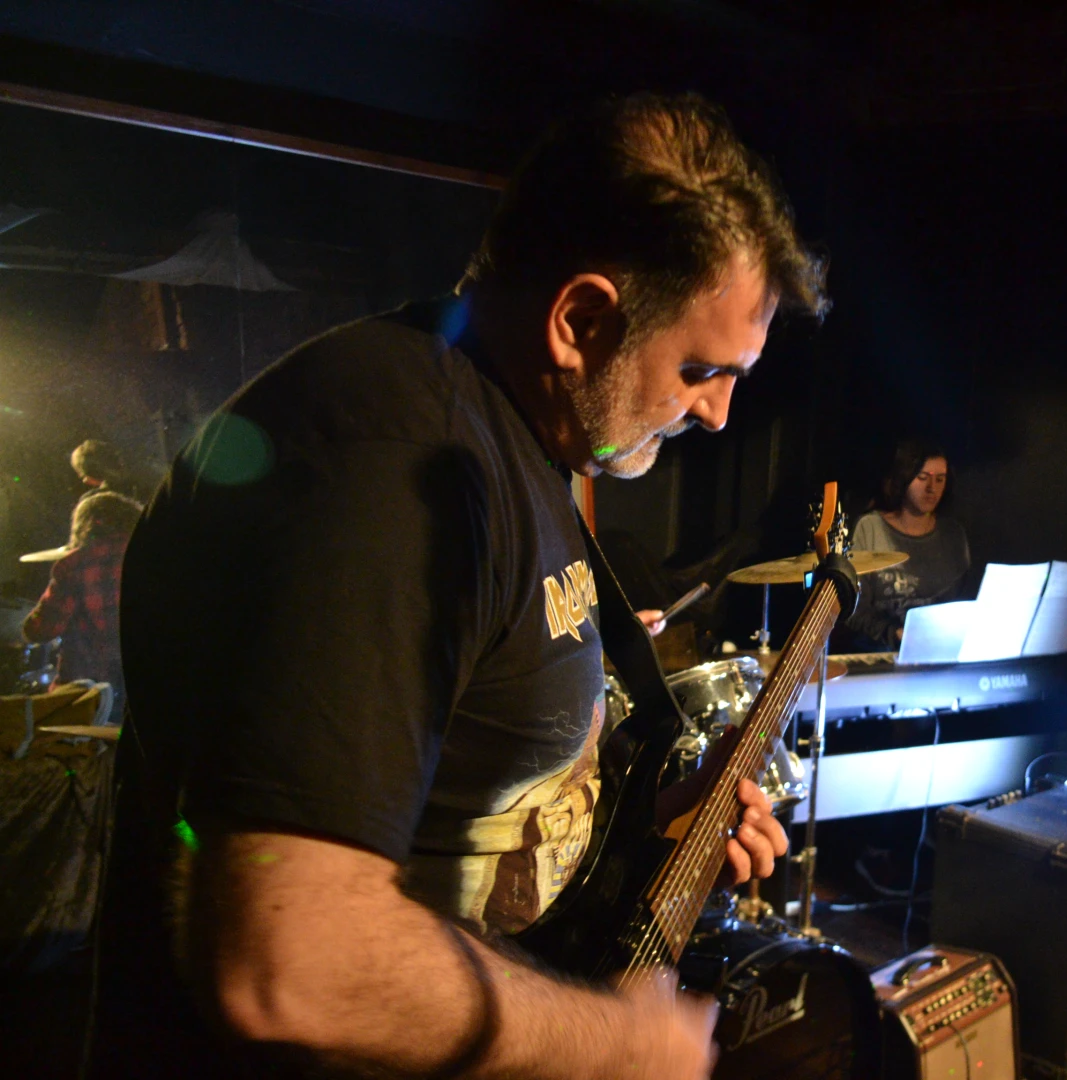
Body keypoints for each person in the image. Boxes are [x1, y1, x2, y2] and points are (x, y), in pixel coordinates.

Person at [94, 93, 827, 1080]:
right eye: (701, 367)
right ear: (580, 320)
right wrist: (614, 1041)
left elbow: (465, 812)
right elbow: (290, 961)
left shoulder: (514, 439)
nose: (720, 413)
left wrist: (654, 827)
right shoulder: (387, 463)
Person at [845, 439, 972, 649]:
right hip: (881, 652)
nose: (932, 488)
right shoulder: (870, 528)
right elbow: (854, 609)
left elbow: (963, 604)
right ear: (903, 478)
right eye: (922, 478)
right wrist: (894, 633)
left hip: (938, 649)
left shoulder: (953, 535)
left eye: (940, 479)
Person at [21, 490, 142, 701]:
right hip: (144, 686)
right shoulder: (153, 556)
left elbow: (41, 630)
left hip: (88, 693)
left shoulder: (75, 564)